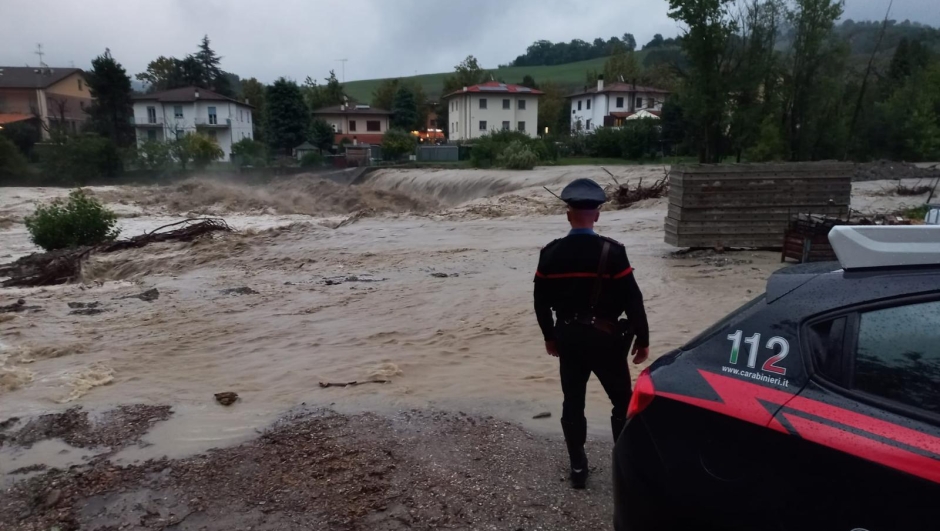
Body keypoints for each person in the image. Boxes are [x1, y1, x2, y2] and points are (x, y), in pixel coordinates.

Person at [533, 177, 650, 489]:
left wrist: (549, 336)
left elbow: (540, 302)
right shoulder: (613, 253)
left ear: (568, 213)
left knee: (573, 400)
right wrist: (643, 339)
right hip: (607, 339)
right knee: (621, 400)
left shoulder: (550, 254)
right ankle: (623, 465)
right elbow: (632, 298)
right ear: (597, 214)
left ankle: (578, 467)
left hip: (569, 338)